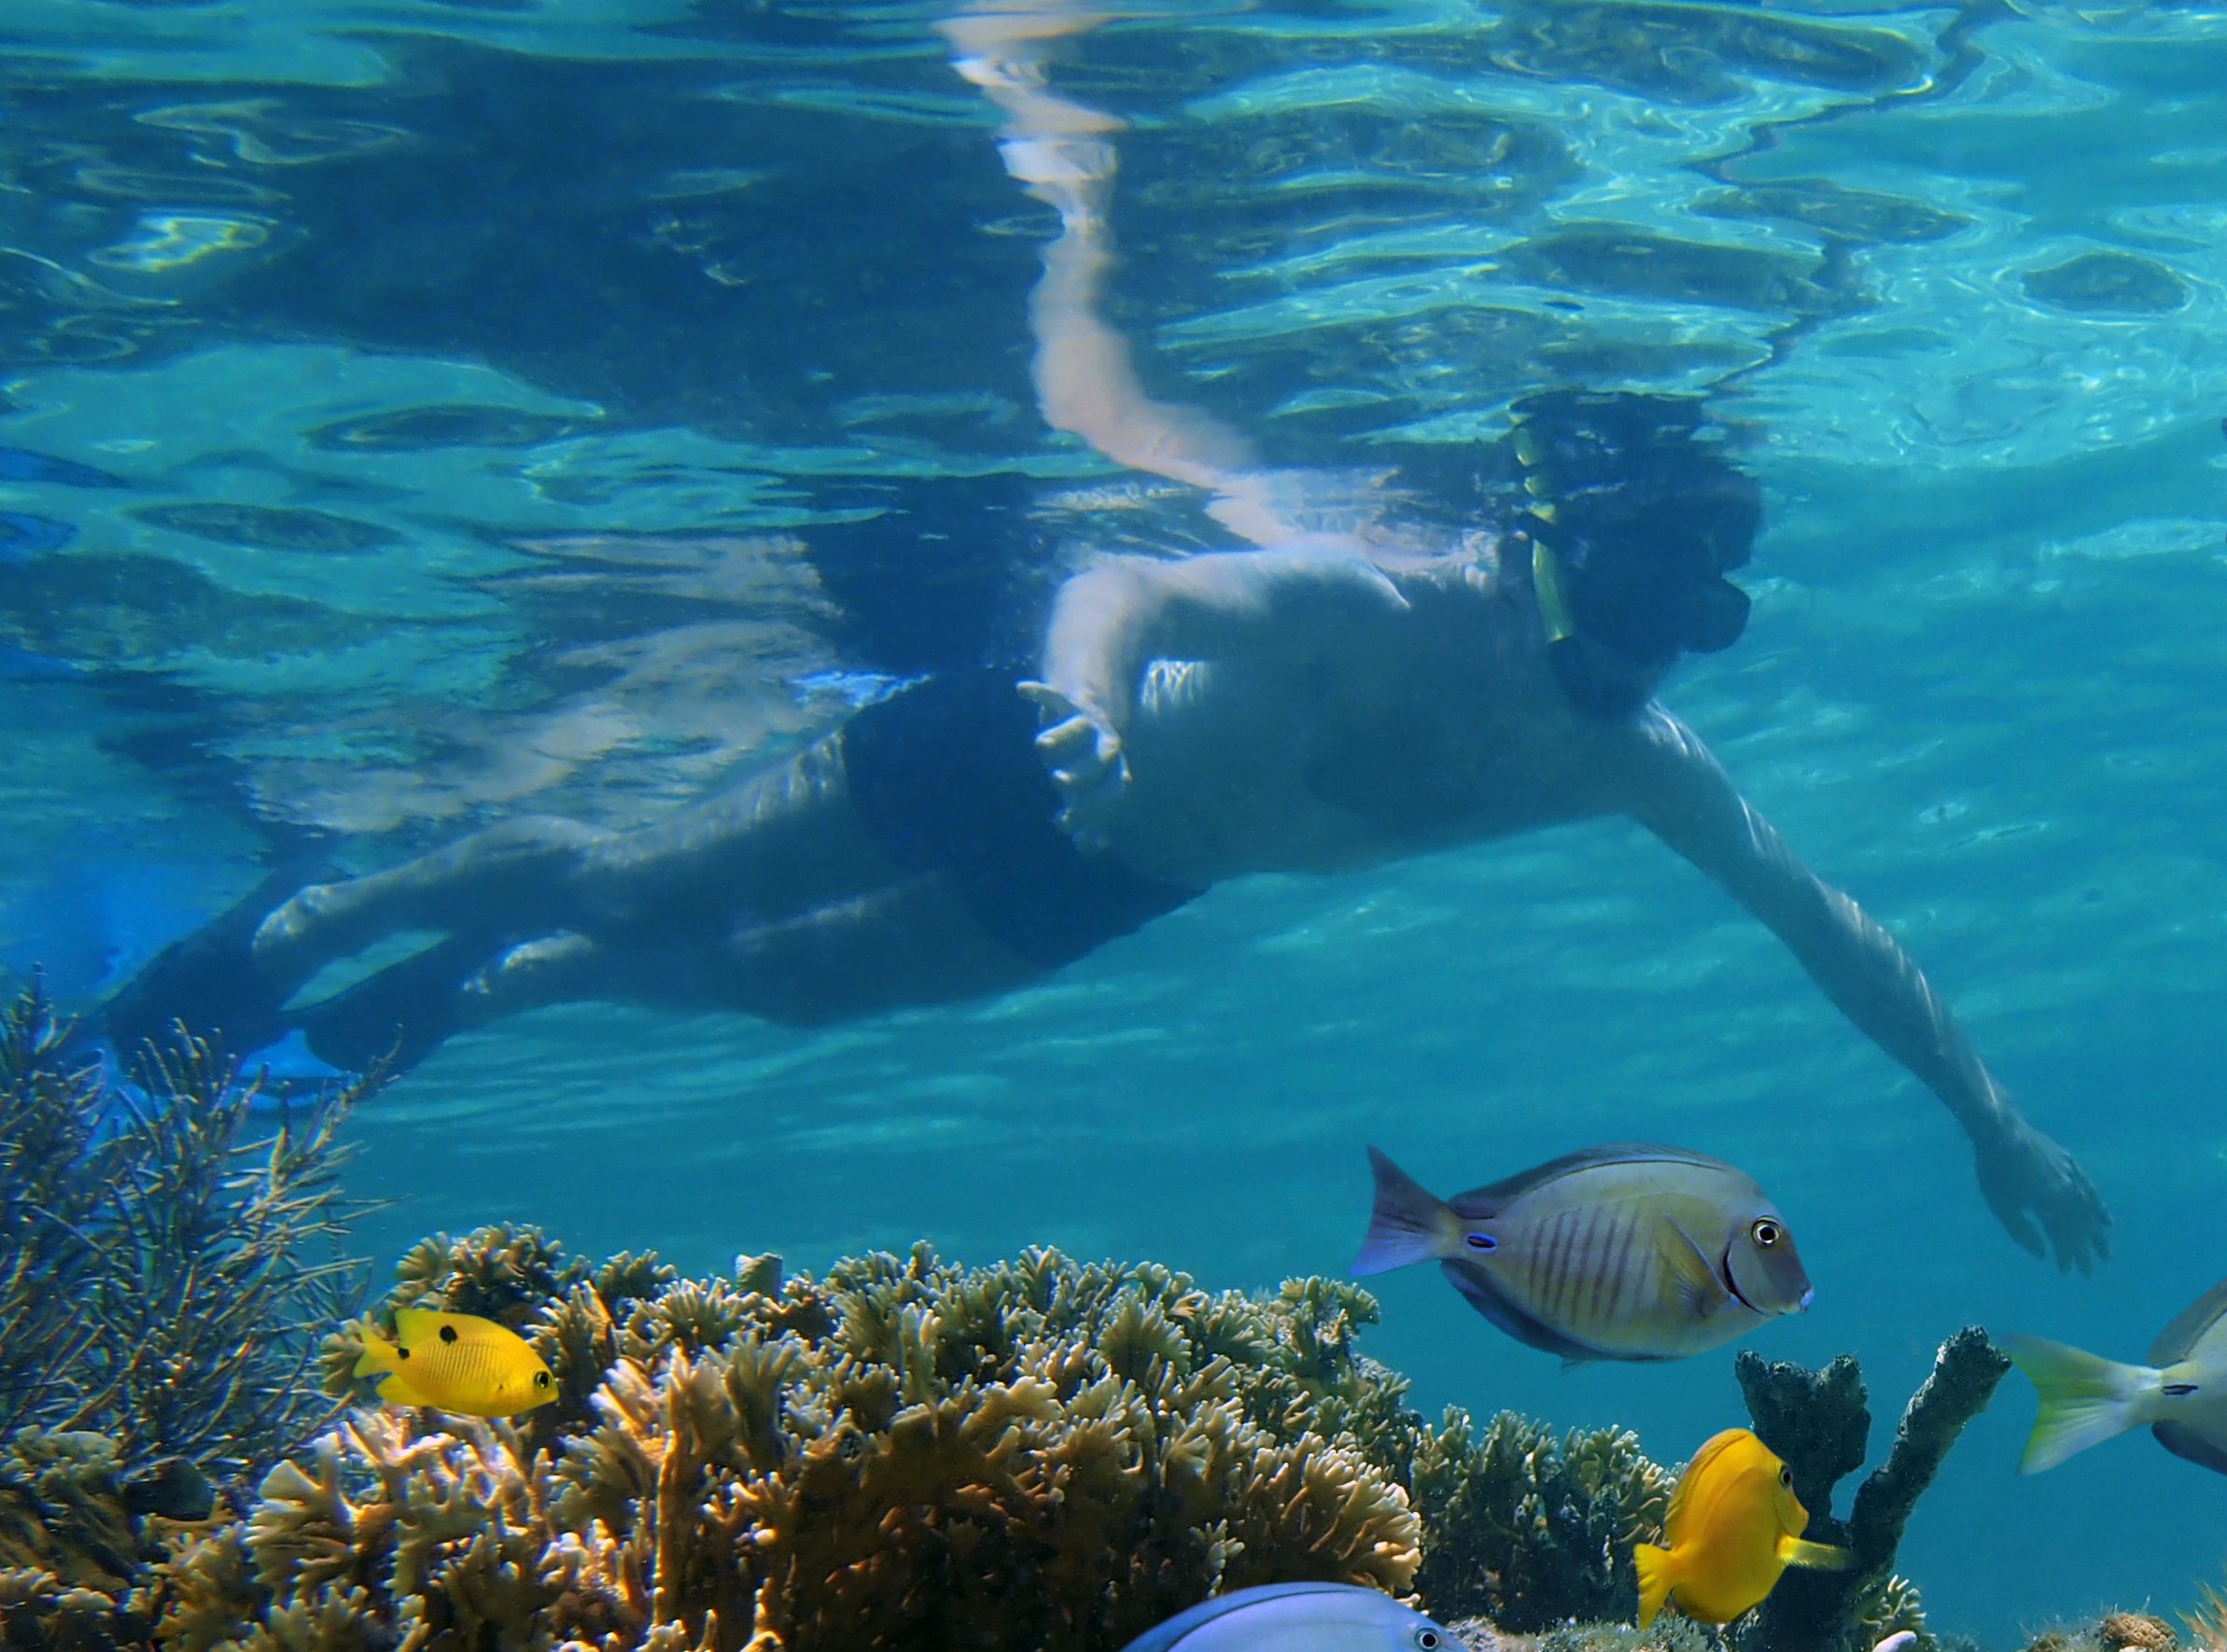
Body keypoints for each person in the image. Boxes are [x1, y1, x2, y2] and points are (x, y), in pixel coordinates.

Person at [103, 9, 2109, 1269]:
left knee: (787, 996)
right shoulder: (1385, 597)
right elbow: (1122, 588)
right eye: (1659, 601)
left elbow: (1827, 920)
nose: (1671, 658)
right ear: (1558, 548)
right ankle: (283, 936)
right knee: (637, 860)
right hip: (1023, 748)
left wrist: (1991, 1120)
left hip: (1128, 877)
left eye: (1705, 626)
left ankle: (483, 997)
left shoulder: (1626, 756)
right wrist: (1071, 705)